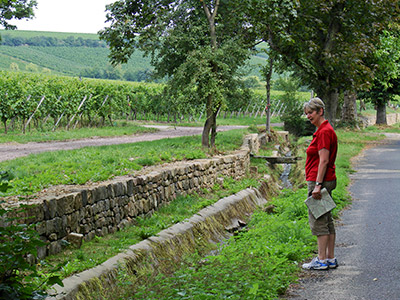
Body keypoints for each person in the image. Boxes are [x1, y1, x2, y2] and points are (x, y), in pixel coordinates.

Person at [302, 97, 338, 270]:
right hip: (326, 179)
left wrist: (317, 185)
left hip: (320, 180)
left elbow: (323, 161)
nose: (308, 116)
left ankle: (321, 260)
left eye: (311, 112)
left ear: (320, 111)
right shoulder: (324, 130)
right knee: (327, 219)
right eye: (307, 113)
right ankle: (330, 258)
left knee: (319, 221)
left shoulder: (323, 132)